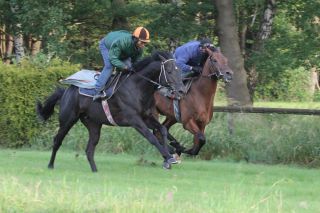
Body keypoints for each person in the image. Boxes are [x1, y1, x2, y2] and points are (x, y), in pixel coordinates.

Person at [93, 27, 150, 100]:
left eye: (145, 43)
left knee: (130, 68)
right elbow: (113, 59)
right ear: (135, 39)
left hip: (122, 51)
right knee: (109, 66)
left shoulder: (139, 49)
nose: (143, 45)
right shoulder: (123, 42)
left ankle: (120, 90)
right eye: (142, 42)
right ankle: (97, 90)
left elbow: (136, 62)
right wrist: (124, 66)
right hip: (107, 46)